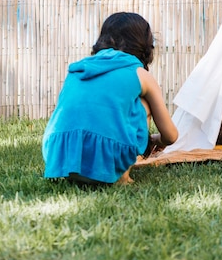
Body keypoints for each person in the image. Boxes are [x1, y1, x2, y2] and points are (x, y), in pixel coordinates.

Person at [42, 12, 178, 185]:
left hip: (62, 160)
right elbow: (171, 135)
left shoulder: (79, 68)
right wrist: (155, 140)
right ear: (145, 45)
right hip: (106, 163)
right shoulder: (140, 74)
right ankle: (122, 177)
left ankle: (82, 173)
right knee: (143, 103)